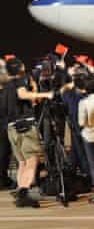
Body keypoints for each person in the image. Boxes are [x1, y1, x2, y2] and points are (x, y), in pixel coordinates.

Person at [5, 58, 53, 207]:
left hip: (12, 126)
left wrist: (34, 88)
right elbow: (22, 95)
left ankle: (21, 191)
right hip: (25, 125)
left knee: (22, 162)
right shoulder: (19, 81)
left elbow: (29, 101)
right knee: (32, 160)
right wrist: (45, 95)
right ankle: (24, 193)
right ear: (19, 68)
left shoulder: (6, 85)